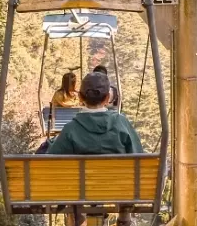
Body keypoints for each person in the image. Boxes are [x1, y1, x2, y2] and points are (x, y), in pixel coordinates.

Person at [48, 72, 142, 225]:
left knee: (75, 178)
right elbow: (138, 155)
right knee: (130, 174)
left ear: (81, 97)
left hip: (83, 191)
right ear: (107, 99)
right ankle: (124, 216)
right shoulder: (121, 123)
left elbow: (51, 162)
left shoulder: (70, 129)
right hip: (118, 188)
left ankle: (79, 213)